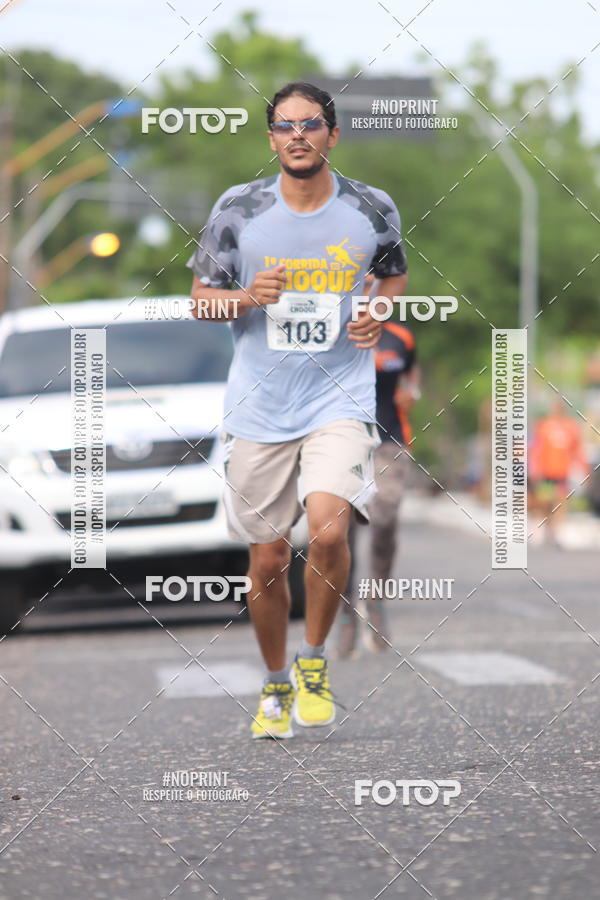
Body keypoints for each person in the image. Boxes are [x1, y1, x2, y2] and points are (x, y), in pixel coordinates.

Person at [187, 81, 408, 739]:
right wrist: (248, 297)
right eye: (285, 126)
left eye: (311, 124)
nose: (298, 136)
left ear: (332, 135)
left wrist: (376, 309)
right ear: (271, 138)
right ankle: (276, 681)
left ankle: (313, 660)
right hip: (259, 405)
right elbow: (200, 299)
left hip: (338, 394)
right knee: (268, 561)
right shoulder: (240, 210)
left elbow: (392, 273)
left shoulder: (370, 208)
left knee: (331, 530)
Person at [336, 275, 419, 658]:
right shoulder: (338, 332)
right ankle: (345, 607)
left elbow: (411, 374)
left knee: (385, 520)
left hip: (389, 442)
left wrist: (411, 391)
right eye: (362, 284)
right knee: (340, 530)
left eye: (375, 283)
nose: (369, 290)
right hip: (341, 439)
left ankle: (376, 599)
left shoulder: (400, 338)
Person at [530, 397, 589, 545]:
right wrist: (534, 467)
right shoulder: (544, 426)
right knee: (545, 500)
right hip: (546, 473)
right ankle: (543, 527)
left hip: (562, 472)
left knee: (561, 500)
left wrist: (584, 467)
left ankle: (557, 531)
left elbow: (577, 450)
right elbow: (536, 448)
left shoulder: (570, 427)